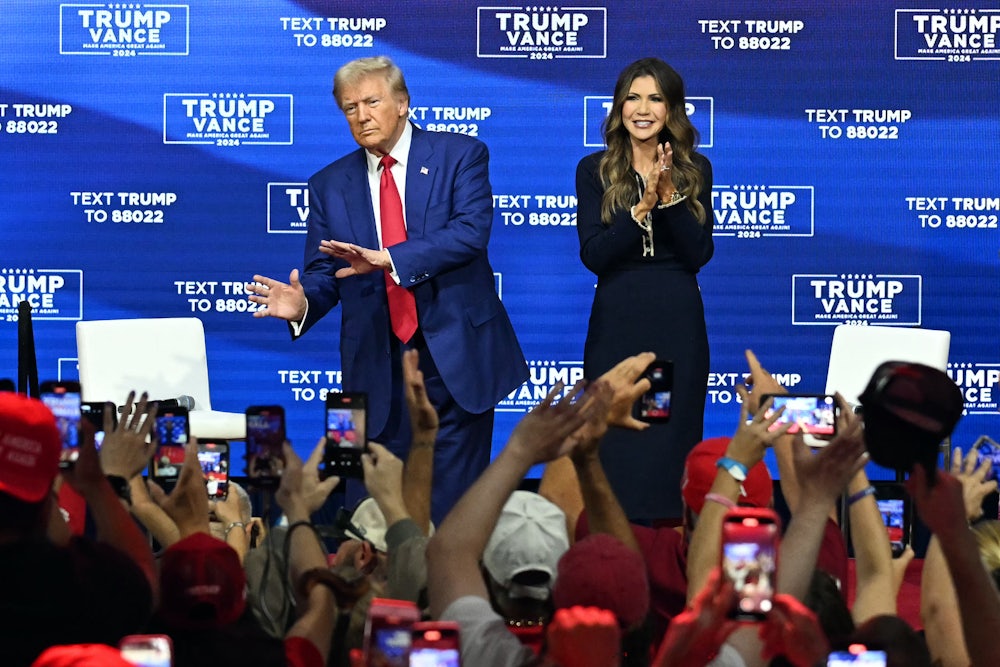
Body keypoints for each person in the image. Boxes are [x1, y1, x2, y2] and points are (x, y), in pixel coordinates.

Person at [248, 55, 527, 522]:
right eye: (350, 107)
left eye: (372, 102)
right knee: (375, 521)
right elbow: (324, 274)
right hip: (375, 368)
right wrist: (303, 304)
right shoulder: (329, 184)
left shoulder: (461, 155)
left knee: (454, 515)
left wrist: (390, 259)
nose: (361, 115)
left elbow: (469, 233)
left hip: (456, 362)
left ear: (402, 103)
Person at [575, 57, 715, 521]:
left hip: (675, 323)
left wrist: (671, 197)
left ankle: (666, 551)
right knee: (616, 439)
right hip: (618, 320)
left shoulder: (696, 169)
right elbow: (595, 254)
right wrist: (641, 208)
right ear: (619, 107)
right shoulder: (594, 169)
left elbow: (698, 254)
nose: (642, 108)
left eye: (655, 98)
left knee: (665, 440)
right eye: (633, 97)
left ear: (672, 109)